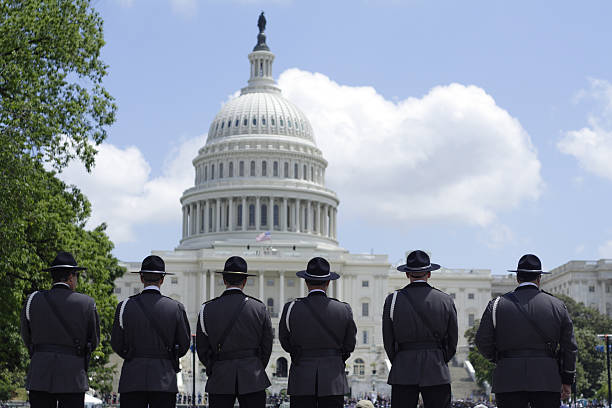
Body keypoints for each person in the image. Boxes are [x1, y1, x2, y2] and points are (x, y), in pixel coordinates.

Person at [475, 254, 577, 408]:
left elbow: (482, 341)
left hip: (508, 377)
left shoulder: (496, 305)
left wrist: (501, 359)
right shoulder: (557, 305)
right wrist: (567, 380)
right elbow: (569, 347)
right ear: (539, 278)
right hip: (546, 378)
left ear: (517, 277)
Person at [20, 251, 100, 408]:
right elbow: (94, 340)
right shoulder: (87, 303)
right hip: (73, 375)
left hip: (40, 372)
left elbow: (26, 336)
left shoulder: (32, 300)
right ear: (71, 277)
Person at [111, 255, 191, 408]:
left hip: (132, 376)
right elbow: (184, 344)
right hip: (164, 379)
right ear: (162, 279)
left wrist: (132, 355)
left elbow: (116, 342)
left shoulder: (124, 306)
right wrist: (168, 356)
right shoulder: (176, 308)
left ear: (141, 278)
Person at [382, 250, 458, 408]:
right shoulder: (445, 300)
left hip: (404, 365)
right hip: (436, 366)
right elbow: (452, 339)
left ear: (407, 274)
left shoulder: (393, 300)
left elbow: (388, 339)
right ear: (429, 273)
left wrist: (399, 359)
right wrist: (441, 358)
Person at [279, 257, 357, 408]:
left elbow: (285, 340)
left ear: (306, 282)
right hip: (333, 377)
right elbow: (349, 345)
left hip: (301, 374)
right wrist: (335, 357)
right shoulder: (343, 309)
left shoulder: (291, 308)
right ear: (328, 282)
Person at [196, 256, 273, 408]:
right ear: (244, 281)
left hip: (220, 375)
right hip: (253, 375)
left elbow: (202, 348)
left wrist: (213, 366)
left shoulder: (207, 309)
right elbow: (267, 346)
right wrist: (256, 365)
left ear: (224, 280)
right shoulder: (259, 308)